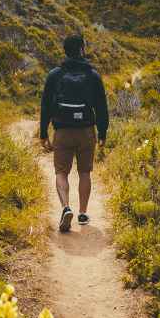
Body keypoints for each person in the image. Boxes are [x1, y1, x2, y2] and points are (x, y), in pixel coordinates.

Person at [39, 33, 109, 233]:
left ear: (65, 50)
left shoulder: (55, 75)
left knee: (61, 172)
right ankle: (83, 212)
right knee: (84, 172)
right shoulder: (93, 75)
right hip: (86, 131)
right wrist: (102, 132)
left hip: (62, 131)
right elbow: (101, 107)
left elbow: (45, 106)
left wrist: (43, 132)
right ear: (82, 49)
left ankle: (65, 208)